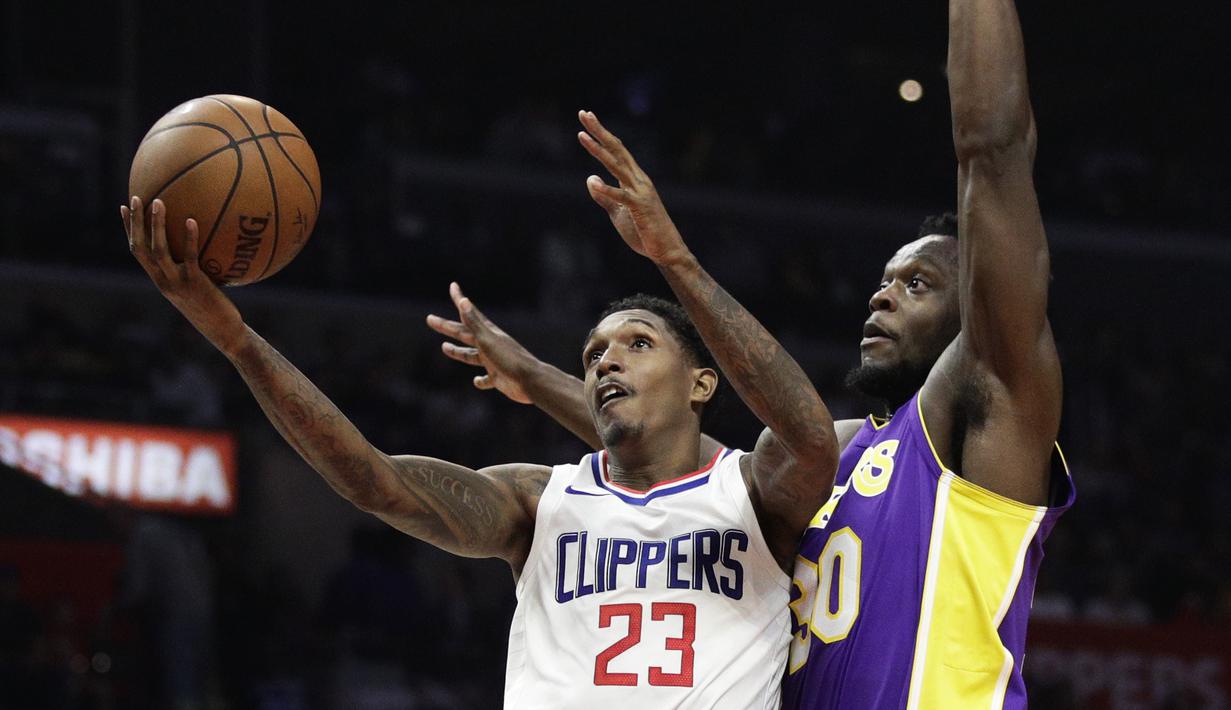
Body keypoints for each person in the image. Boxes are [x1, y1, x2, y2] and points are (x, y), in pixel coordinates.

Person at [428, 1, 1074, 706]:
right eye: (881, 283)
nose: (880, 299)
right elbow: (682, 455)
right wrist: (534, 377)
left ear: (972, 308)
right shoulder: (843, 450)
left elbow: (992, 149)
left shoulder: (984, 407)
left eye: (916, 285)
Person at [120, 109, 839, 708]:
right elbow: (375, 481)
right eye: (591, 355)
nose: (606, 361)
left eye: (637, 343)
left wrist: (674, 260)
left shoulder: (751, 492)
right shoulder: (539, 500)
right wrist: (237, 340)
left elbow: (807, 432)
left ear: (701, 384)